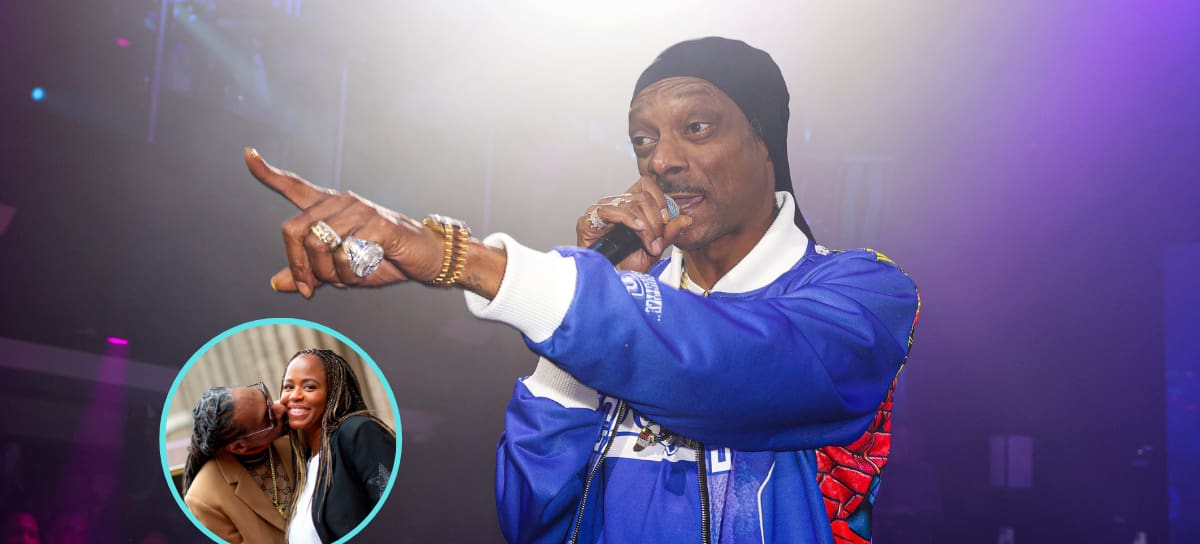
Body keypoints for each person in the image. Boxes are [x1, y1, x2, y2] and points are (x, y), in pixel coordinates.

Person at [246, 36, 919, 543]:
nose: (661, 160)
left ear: (766, 140)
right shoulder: (618, 305)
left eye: (698, 127)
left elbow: (736, 368)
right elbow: (531, 520)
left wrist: (463, 260)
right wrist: (599, 306)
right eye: (644, 139)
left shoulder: (864, 293)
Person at [279, 348, 396, 544]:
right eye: (288, 387)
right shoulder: (305, 459)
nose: (294, 395)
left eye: (309, 387)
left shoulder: (357, 432)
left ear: (334, 392)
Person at [182, 383, 295, 544]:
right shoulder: (203, 500)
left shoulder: (296, 435)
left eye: (267, 398)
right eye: (268, 417)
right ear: (239, 447)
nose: (281, 408)